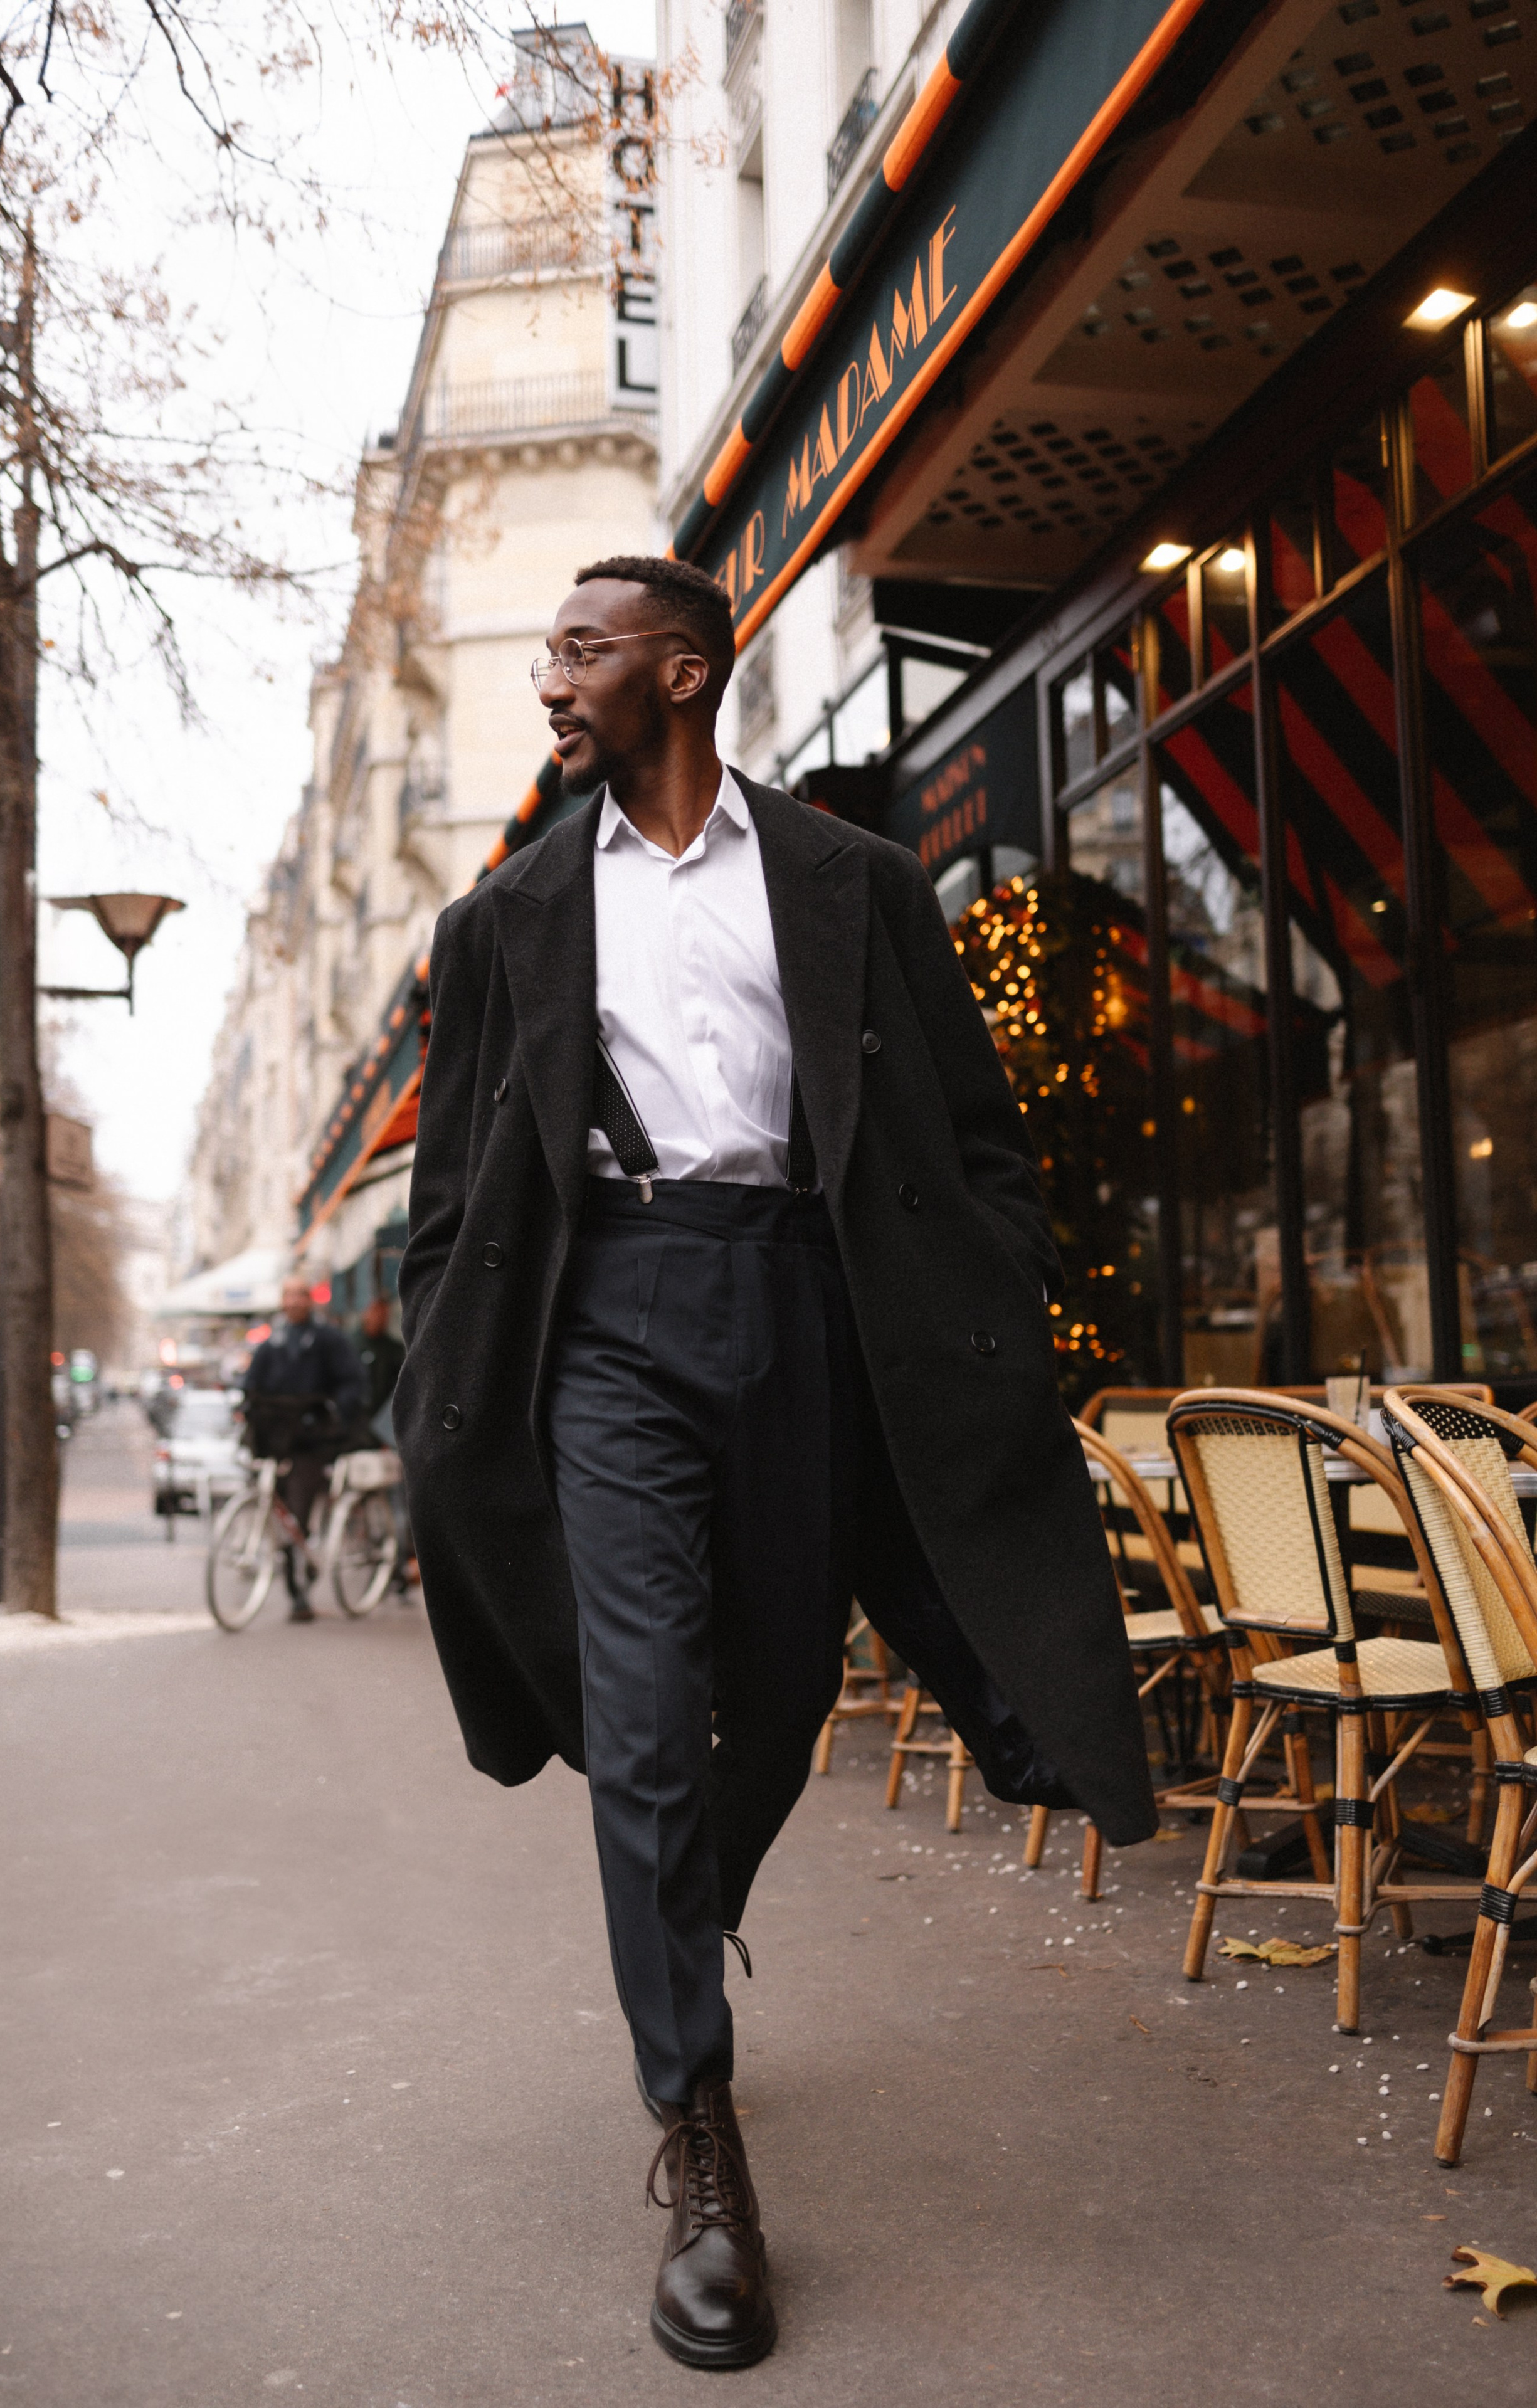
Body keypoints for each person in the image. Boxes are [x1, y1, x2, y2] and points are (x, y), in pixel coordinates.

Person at [394, 555, 1155, 2368]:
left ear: (681, 671)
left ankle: (682, 1901)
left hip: (809, 1297)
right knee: (649, 1707)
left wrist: (989, 1290)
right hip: (605, 1313)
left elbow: (973, 1132)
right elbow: (448, 1202)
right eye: (548, 655)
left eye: (581, 652)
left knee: (794, 1681)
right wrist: (437, 1364)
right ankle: (702, 2139)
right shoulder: (503, 920)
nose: (549, 683)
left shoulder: (853, 879)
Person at [243, 1275, 366, 1620]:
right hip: (275, 1438)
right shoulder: (273, 1342)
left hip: (311, 1441)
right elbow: (251, 1384)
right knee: (277, 1506)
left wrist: (333, 1414)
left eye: (300, 1295)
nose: (294, 1302)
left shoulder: (328, 1339)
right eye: (288, 1295)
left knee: (298, 1510)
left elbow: (352, 1381)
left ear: (310, 1300)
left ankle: (298, 1590)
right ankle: (294, 1572)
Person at [356, 1293, 406, 1422]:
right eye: (376, 1312)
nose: (380, 1318)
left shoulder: (395, 1349)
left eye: (384, 1314)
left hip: (384, 1418)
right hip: (357, 1417)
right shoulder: (352, 1344)